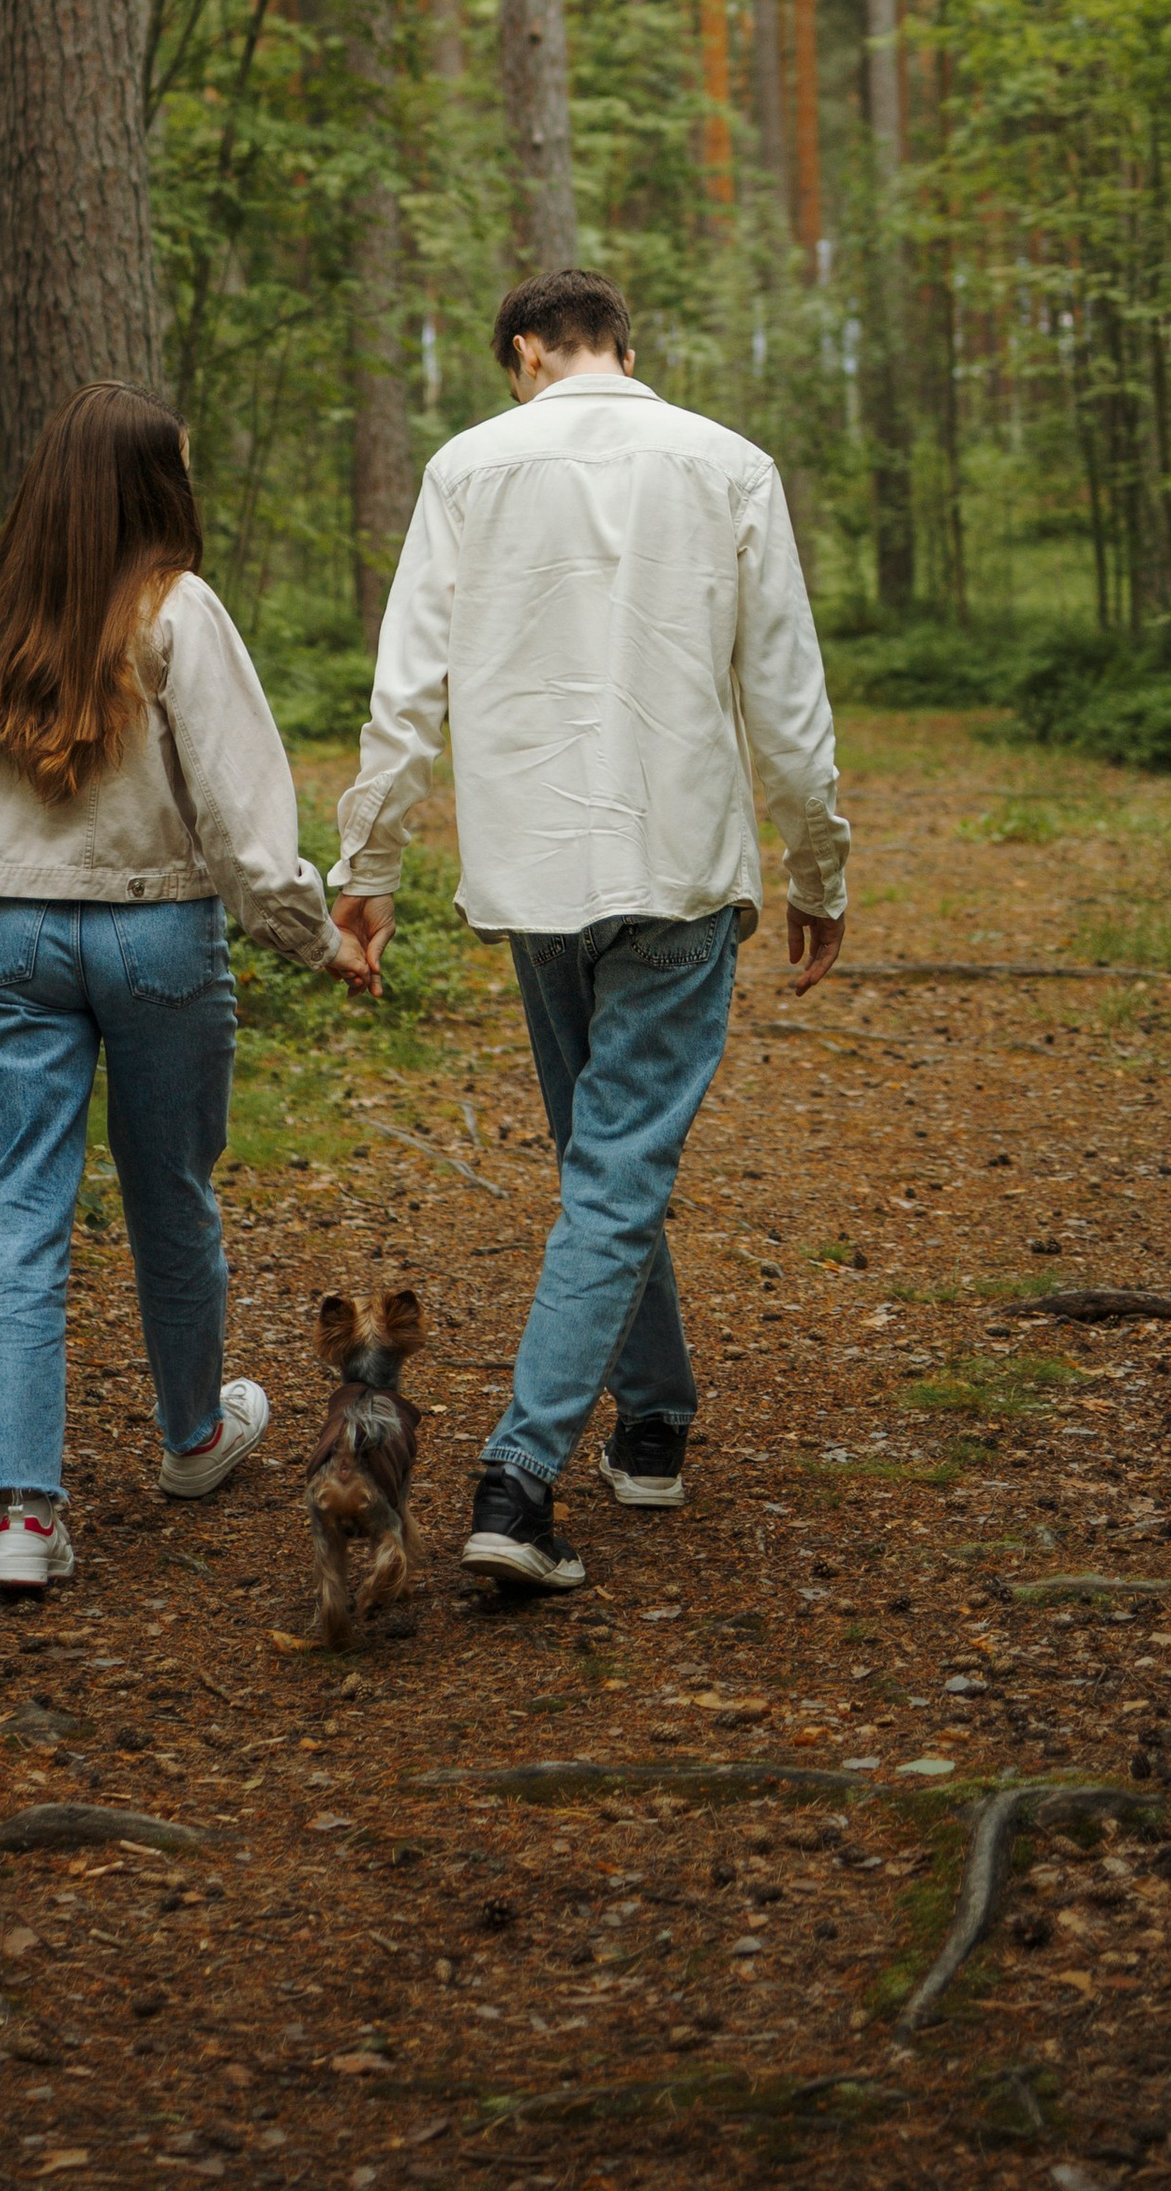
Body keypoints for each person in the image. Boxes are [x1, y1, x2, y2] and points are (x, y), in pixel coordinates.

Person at [330, 268, 850, 1590]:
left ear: (525, 354)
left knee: (601, 1164)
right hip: (677, 864)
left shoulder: (468, 469)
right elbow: (784, 691)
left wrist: (368, 860)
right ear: (624, 347)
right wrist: (818, 866)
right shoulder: (728, 465)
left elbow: (410, 687)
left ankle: (655, 1422)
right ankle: (518, 1481)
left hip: (537, 868)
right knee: (612, 1169)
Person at [0, 383, 369, 1592]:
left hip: (10, 937)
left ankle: (20, 1516)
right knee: (171, 1195)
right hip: (156, 936)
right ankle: (191, 1439)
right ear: (149, 482)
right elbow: (244, 823)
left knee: (20, 1224)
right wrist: (314, 938)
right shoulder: (176, 610)